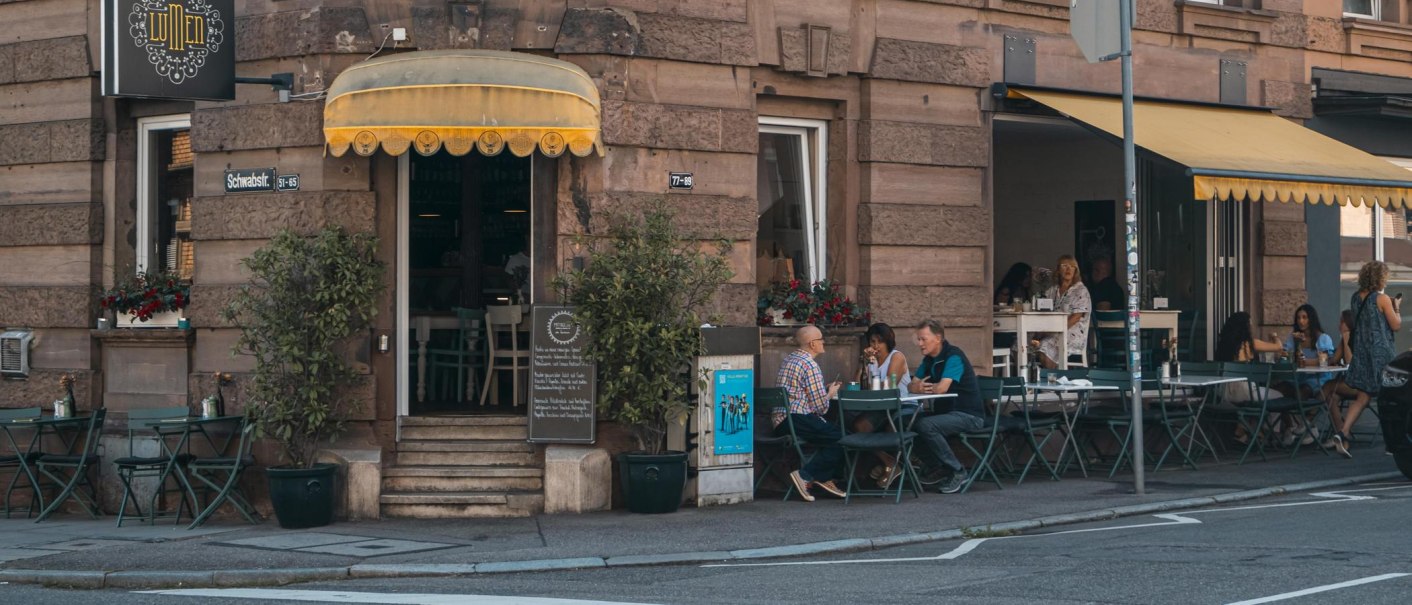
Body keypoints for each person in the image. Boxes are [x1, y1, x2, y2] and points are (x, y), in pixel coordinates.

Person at [1326, 261, 1401, 458]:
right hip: (1381, 355)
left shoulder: (1355, 298)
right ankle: (1392, 444)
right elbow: (1395, 325)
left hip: (1362, 355)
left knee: (1363, 396)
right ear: (1380, 278)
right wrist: (1397, 307)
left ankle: (1343, 433)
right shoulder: (1382, 299)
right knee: (1390, 398)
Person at [908, 319, 985, 495]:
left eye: (923, 339)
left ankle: (958, 470)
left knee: (926, 425)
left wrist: (921, 387)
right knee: (907, 422)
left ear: (938, 338)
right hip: (947, 414)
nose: (919, 344)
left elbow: (942, 388)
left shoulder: (953, 356)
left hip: (968, 415)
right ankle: (938, 467)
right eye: (918, 339)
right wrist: (916, 387)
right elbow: (911, 385)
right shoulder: (929, 360)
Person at [773, 325, 847, 502]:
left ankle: (824, 478)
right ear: (813, 344)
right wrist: (830, 393)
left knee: (832, 435)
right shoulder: (810, 365)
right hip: (797, 417)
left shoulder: (789, 359)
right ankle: (806, 475)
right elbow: (820, 407)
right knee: (842, 438)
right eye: (821, 339)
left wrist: (823, 391)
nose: (824, 342)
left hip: (780, 421)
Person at [1213, 311, 1284, 445]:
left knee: (1253, 403)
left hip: (1222, 391)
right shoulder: (1250, 344)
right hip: (1243, 389)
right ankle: (1269, 434)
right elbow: (1278, 347)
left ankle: (1244, 431)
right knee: (1278, 396)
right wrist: (1274, 336)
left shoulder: (1224, 345)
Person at [854, 323, 911, 489]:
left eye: (880, 342)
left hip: (900, 405)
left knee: (865, 426)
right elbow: (857, 385)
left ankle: (890, 465)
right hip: (879, 407)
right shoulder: (870, 361)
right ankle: (889, 462)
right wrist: (862, 363)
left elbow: (889, 386)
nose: (876, 346)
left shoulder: (896, 357)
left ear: (888, 342)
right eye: (872, 342)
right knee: (857, 425)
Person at [1273, 304, 1335, 445]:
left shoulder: (1322, 338)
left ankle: (1306, 424)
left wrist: (1303, 360)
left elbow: (1324, 360)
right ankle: (1291, 426)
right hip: (1298, 377)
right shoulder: (1293, 338)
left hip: (1317, 379)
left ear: (1311, 319)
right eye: (1299, 318)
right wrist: (1285, 354)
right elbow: (1287, 357)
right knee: (1278, 391)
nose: (1301, 321)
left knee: (1302, 392)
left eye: (1304, 317)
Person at [1034, 255, 1091, 369]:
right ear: (1058, 270)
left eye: (1072, 267)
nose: (1069, 269)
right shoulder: (1053, 290)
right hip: (1051, 331)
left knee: (1045, 345)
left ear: (1076, 270)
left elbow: (1076, 317)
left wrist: (1054, 331)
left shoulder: (1081, 290)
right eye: (1065, 266)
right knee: (1021, 343)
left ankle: (1051, 382)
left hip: (1071, 333)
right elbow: (1040, 307)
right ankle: (1024, 381)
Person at [1323, 310, 1358, 432]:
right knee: (1331, 398)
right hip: (1348, 382)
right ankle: (1340, 432)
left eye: (1342, 322)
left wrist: (1346, 338)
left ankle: (1308, 419)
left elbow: (1349, 361)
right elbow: (1333, 360)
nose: (1339, 325)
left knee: (1328, 385)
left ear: (1349, 323)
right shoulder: (1344, 340)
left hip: (1360, 385)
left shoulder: (1356, 339)